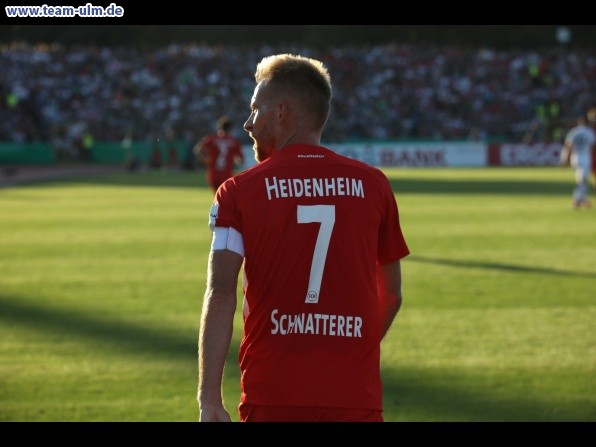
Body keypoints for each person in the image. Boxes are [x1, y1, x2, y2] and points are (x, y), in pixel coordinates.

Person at [197, 53, 410, 422]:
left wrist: (209, 400)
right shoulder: (374, 184)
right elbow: (390, 294)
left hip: (272, 394)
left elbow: (220, 293)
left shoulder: (238, 191)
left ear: (281, 112)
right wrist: (350, 353)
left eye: (254, 109)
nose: (247, 123)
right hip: (353, 396)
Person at [195, 115, 244, 192]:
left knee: (218, 198)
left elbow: (198, 149)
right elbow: (241, 160)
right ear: (231, 129)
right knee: (227, 199)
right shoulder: (234, 142)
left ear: (220, 127)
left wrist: (205, 161)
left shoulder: (212, 139)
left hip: (213, 174)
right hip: (227, 175)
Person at [560, 112, 596, 209]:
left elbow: (568, 146)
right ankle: (576, 200)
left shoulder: (573, 131)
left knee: (581, 179)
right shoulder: (589, 132)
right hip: (585, 157)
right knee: (582, 180)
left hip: (575, 157)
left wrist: (565, 160)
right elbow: (592, 146)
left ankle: (583, 200)